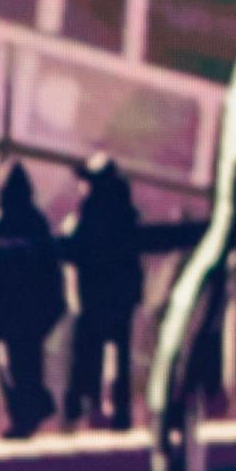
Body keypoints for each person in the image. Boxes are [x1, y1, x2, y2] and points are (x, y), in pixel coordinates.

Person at [67, 156, 183, 433]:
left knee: (92, 353)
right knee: (121, 353)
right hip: (121, 295)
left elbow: (74, 248)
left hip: (95, 294)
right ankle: (121, 410)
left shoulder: (88, 213)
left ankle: (93, 408)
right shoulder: (125, 212)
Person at [0, 164, 70, 439]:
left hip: (9, 309)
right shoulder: (36, 221)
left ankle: (26, 414)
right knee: (28, 364)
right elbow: (50, 267)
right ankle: (32, 410)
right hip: (31, 308)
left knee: (13, 365)